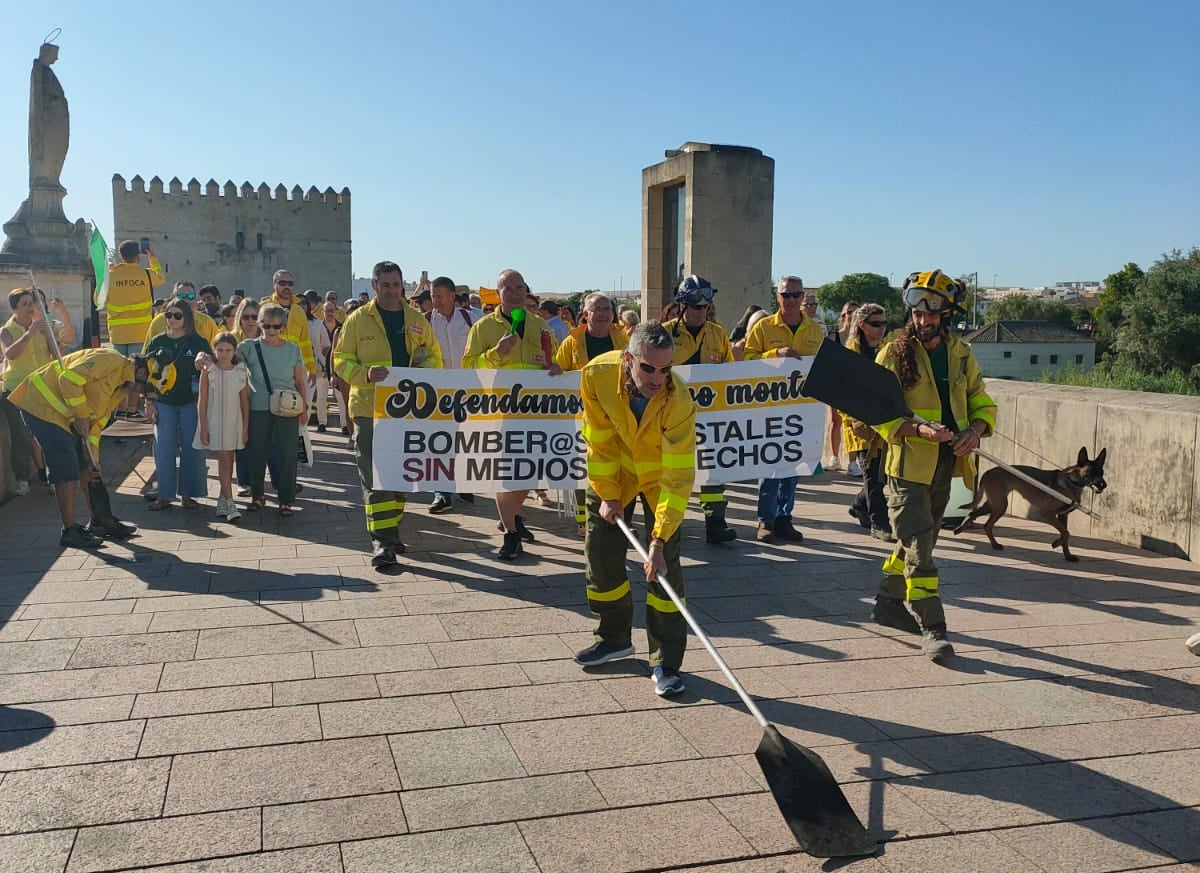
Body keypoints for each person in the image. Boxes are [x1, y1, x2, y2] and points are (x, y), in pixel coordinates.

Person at [870, 270, 996, 662]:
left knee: (916, 543)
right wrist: (917, 429)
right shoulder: (892, 352)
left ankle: (887, 603)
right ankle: (933, 627)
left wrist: (975, 431)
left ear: (946, 315)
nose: (924, 322)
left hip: (950, 466)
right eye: (918, 315)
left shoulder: (961, 353)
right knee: (922, 552)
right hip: (907, 467)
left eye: (932, 315)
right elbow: (875, 410)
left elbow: (980, 399)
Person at [573, 321, 696, 698]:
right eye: (648, 368)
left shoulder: (679, 401)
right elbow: (598, 439)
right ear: (628, 360)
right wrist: (609, 495)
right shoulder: (596, 376)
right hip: (616, 475)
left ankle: (666, 662)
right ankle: (613, 638)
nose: (658, 378)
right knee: (601, 556)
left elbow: (677, 480)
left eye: (665, 369)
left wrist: (658, 539)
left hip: (660, 478)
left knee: (662, 571)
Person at [334, 261, 442, 567]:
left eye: (396, 285)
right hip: (369, 409)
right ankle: (382, 542)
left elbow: (435, 355)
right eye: (386, 285)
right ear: (374, 286)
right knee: (376, 478)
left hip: (407, 410)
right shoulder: (357, 320)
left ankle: (390, 533)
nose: (392, 291)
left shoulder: (416, 318)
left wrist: (425, 369)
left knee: (402, 477)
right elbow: (340, 360)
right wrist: (365, 373)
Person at [463, 268, 561, 560]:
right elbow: (468, 367)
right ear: (499, 293)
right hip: (500, 414)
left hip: (536, 414)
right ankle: (510, 533)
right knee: (505, 475)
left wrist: (556, 367)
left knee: (529, 475)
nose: (516, 293)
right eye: (509, 289)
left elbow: (554, 360)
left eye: (521, 288)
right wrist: (496, 353)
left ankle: (513, 517)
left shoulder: (540, 326)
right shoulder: (483, 328)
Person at [9, 348, 151, 546]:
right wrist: (82, 413)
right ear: (142, 372)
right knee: (66, 467)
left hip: (67, 414)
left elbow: (96, 424)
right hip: (40, 404)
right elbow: (68, 380)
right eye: (143, 387)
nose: (139, 392)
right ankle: (70, 530)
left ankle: (99, 521)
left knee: (87, 466)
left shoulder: (121, 388)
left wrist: (94, 458)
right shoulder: (109, 360)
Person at [743, 276, 824, 544]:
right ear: (776, 297)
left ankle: (784, 517)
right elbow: (746, 360)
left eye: (795, 294)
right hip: (769, 409)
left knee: (794, 467)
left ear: (803, 297)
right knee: (770, 466)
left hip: (801, 411)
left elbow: (824, 366)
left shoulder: (815, 330)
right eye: (785, 294)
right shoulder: (764, 327)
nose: (790, 300)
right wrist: (774, 354)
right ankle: (765, 520)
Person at [660, 276, 738, 544]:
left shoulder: (717, 333)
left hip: (710, 416)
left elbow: (729, 372)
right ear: (682, 306)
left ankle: (715, 522)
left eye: (705, 307)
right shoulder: (664, 334)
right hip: (672, 416)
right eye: (695, 307)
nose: (700, 312)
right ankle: (668, 525)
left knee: (713, 471)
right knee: (672, 473)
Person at [225, 303, 308, 516]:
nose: (272, 331)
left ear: (283, 326)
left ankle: (286, 499)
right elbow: (229, 366)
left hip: (287, 408)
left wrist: (305, 407)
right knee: (256, 453)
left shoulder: (293, 349)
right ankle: (258, 495)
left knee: (287, 455)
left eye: (277, 326)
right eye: (267, 326)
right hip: (258, 408)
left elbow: (300, 381)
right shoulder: (247, 347)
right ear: (260, 325)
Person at [554, 292, 627, 536]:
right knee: (582, 468)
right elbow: (560, 370)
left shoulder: (623, 338)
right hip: (581, 417)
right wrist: (555, 370)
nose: (605, 314)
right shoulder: (572, 342)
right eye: (598, 309)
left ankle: (616, 516)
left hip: (615, 415)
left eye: (608, 309)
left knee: (616, 468)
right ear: (585, 315)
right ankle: (583, 520)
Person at [1, 287, 76, 494]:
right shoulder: (7, 330)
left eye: (31, 304)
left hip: (42, 387)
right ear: (15, 309)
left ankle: (54, 476)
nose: (29, 308)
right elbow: (11, 354)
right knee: (21, 435)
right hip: (16, 389)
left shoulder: (44, 326)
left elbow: (57, 354)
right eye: (24, 304)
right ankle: (22, 479)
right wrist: (30, 332)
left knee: (48, 434)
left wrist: (49, 334)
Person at [144, 297, 212, 511]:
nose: (172, 319)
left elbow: (210, 366)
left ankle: (189, 495)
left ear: (187, 318)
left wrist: (204, 358)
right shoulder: (157, 341)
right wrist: (148, 402)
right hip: (163, 402)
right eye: (168, 315)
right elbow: (146, 373)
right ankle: (164, 495)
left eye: (177, 315)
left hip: (191, 402)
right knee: (164, 448)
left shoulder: (197, 342)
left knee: (192, 449)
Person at [841, 304, 893, 541]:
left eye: (884, 324)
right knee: (872, 474)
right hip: (860, 426)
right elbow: (842, 393)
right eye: (876, 324)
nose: (882, 328)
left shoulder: (887, 351)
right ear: (861, 325)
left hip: (884, 423)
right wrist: (855, 422)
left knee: (882, 477)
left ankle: (859, 504)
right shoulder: (851, 353)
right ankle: (880, 523)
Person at [426, 276, 474, 515]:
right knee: (440, 443)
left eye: (440, 296)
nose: (435, 301)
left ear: (453, 296)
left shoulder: (471, 319)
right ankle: (441, 493)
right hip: (438, 394)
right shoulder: (424, 323)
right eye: (433, 297)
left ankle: (465, 484)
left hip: (468, 393)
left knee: (467, 442)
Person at [194, 331, 250, 522]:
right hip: (215, 421)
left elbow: (245, 402)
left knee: (229, 459)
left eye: (228, 350)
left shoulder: (241, 371)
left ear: (234, 351)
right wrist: (203, 426)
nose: (224, 354)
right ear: (214, 350)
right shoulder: (208, 370)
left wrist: (245, 427)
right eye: (220, 350)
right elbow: (202, 400)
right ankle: (230, 502)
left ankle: (222, 500)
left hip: (234, 421)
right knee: (223, 458)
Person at [103, 239, 164, 356]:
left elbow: (97, 300)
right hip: (141, 333)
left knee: (120, 370)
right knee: (137, 370)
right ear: (138, 256)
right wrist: (152, 258)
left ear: (121, 256)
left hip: (117, 334)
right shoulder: (146, 274)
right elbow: (160, 278)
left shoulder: (110, 276)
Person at [261, 269, 316, 383]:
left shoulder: (299, 311)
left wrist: (311, 368)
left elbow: (305, 342)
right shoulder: (262, 308)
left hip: (293, 370)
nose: (286, 287)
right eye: (282, 283)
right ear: (274, 284)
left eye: (290, 284)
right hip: (267, 368)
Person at [828, 300, 860, 474]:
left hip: (853, 385)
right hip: (836, 383)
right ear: (843, 316)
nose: (852, 316)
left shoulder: (860, 339)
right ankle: (834, 457)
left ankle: (853, 461)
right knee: (835, 421)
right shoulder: (834, 336)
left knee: (852, 424)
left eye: (856, 313)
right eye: (850, 312)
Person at [144, 281, 219, 348]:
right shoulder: (158, 322)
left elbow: (218, 350)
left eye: (190, 297)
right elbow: (146, 354)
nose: (186, 300)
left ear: (195, 299)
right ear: (173, 298)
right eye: (181, 296)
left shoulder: (207, 322)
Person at [302, 295, 333, 432]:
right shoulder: (290, 322)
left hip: (317, 365)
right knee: (301, 400)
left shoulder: (316, 323)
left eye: (305, 303)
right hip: (298, 367)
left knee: (319, 397)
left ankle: (321, 422)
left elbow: (326, 345)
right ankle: (300, 430)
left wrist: (327, 364)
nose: (302, 305)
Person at [316, 300, 348, 434]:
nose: (329, 313)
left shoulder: (342, 328)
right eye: (327, 311)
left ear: (336, 312)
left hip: (337, 369)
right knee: (321, 397)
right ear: (322, 312)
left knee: (341, 398)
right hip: (320, 369)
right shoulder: (317, 327)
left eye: (332, 311)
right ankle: (322, 423)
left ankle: (345, 425)